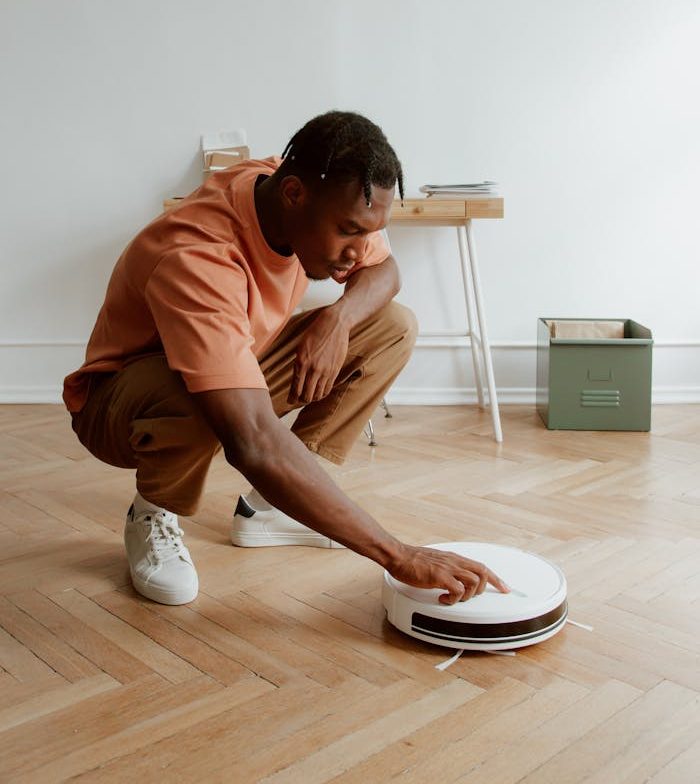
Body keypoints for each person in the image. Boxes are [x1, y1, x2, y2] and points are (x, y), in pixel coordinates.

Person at [63, 110, 508, 608]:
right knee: (195, 394)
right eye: (348, 232)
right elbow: (251, 440)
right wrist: (397, 554)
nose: (356, 250)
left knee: (389, 325)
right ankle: (153, 512)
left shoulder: (298, 185)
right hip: (118, 406)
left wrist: (337, 320)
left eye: (368, 232)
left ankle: (269, 511)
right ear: (294, 195)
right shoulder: (198, 257)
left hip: (231, 361)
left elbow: (386, 273)